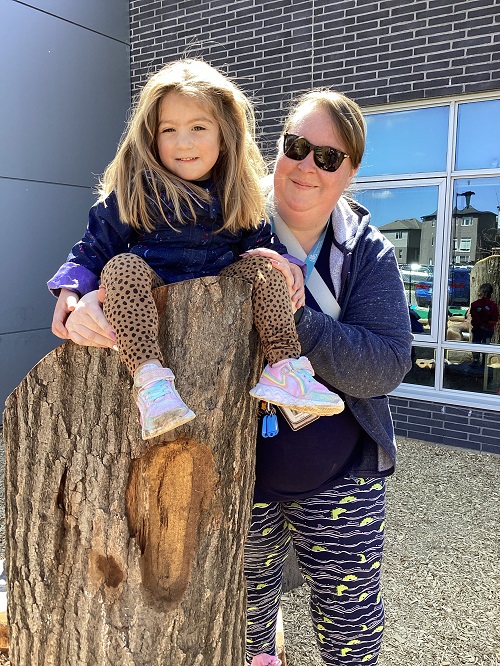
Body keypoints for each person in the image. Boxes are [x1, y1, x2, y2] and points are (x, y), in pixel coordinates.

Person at [51, 85, 413, 665]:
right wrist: (77, 297)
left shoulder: (363, 252)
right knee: (241, 628)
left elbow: (385, 366)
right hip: (234, 476)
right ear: (276, 147)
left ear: (351, 172)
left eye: (328, 157)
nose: (306, 165)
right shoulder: (231, 206)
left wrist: (294, 322)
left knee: (352, 637)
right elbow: (119, 257)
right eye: (297, 145)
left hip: (340, 480)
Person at [48, 59, 343, 441]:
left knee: (265, 267)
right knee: (120, 265)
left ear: (225, 134)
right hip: (151, 295)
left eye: (198, 128)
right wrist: (71, 291)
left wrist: (286, 266)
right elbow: (93, 248)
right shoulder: (136, 191)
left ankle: (284, 368)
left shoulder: (237, 196)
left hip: (219, 303)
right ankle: (150, 379)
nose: (183, 142)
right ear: (151, 138)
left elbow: (261, 245)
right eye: (168, 130)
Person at [470, 282, 499, 349]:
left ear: (480, 292)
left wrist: (482, 325)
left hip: (479, 330)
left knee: (476, 346)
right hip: (487, 330)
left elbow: (475, 318)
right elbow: (495, 318)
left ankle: (476, 359)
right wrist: (488, 326)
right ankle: (484, 359)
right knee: (486, 347)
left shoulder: (475, 304)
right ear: (491, 294)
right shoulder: (493, 306)